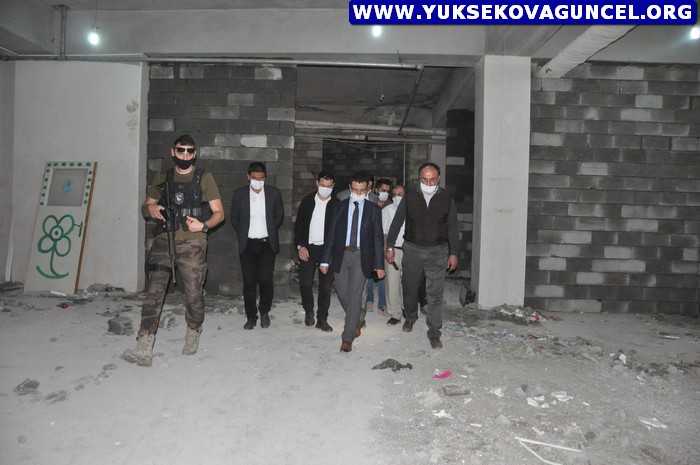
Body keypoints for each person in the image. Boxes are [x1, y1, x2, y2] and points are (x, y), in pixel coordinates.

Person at [122, 134, 224, 367]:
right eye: (181, 150)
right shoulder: (163, 177)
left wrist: (203, 226)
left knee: (194, 293)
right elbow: (146, 206)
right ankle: (144, 344)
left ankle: (194, 329)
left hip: (193, 242)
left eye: (189, 151)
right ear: (173, 151)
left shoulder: (204, 177)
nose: (185, 155)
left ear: (195, 154)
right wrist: (151, 209)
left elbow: (219, 213)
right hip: (163, 240)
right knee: (154, 292)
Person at [386, 162, 458, 349]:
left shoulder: (446, 197)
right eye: (424, 180)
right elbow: (397, 221)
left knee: (435, 292)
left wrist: (454, 253)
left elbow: (453, 226)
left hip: (438, 251)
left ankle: (434, 331)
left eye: (432, 179)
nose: (428, 183)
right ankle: (410, 316)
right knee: (409, 286)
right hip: (412, 249)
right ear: (419, 179)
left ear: (438, 179)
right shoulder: (410, 196)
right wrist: (390, 246)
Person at [320, 172, 385, 352]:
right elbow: (331, 234)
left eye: (362, 190)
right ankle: (357, 317)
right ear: (350, 188)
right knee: (342, 292)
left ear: (367, 189)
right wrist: (325, 260)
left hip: (362, 256)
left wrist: (379, 265)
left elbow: (378, 239)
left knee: (355, 295)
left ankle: (347, 337)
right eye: (355, 190)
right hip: (341, 254)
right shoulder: (339, 207)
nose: (358, 193)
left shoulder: (374, 210)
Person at [230, 162, 284, 330]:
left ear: (265, 177)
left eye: (261, 178)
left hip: (267, 244)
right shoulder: (239, 194)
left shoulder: (274, 193)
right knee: (249, 283)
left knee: (266, 280)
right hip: (247, 245)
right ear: (248, 177)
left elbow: (279, 216)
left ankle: (264, 311)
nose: (258, 181)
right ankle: (251, 317)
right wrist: (245, 233)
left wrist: (269, 231)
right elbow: (234, 218)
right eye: (255, 178)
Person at [294, 171, 338, 332]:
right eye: (322, 185)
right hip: (308, 248)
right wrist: (300, 246)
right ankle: (309, 311)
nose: (325, 188)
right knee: (305, 283)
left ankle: (322, 319)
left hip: (327, 250)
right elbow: (299, 226)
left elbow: (338, 231)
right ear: (317, 183)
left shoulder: (337, 204)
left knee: (325, 287)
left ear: (333, 186)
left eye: (329, 186)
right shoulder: (307, 201)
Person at [365, 178, 392, 314]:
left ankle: (382, 304)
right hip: (370, 243)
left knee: (382, 274)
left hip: (384, 243)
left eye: (387, 191)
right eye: (382, 190)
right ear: (376, 190)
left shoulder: (391, 205)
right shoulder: (370, 202)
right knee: (369, 273)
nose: (385, 193)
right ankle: (369, 300)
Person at [382, 184, 405, 325]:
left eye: (401, 194)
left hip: (410, 250)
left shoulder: (412, 209)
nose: (398, 197)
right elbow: (384, 232)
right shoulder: (387, 210)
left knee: (408, 282)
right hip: (393, 250)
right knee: (392, 282)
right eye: (395, 195)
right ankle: (395, 313)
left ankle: (405, 307)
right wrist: (387, 250)